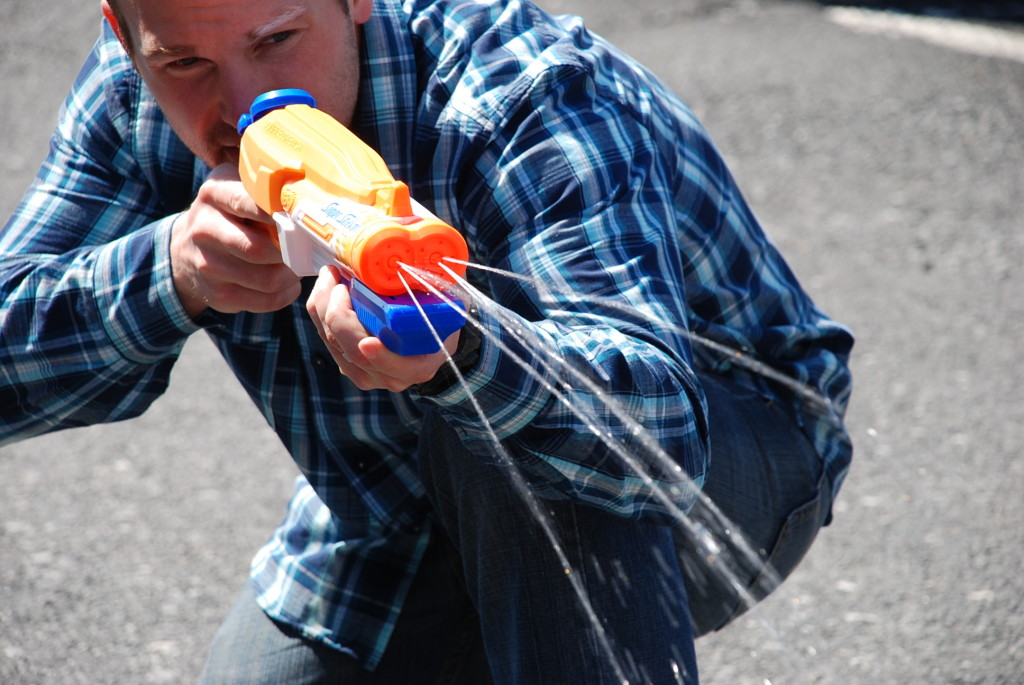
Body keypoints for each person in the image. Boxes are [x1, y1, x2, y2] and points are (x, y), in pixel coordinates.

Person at [0, 0, 855, 682]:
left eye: (277, 40)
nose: (239, 105)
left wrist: (465, 350)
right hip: (392, 504)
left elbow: (658, 429)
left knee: (508, 429)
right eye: (186, 64)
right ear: (123, 34)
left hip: (737, 459)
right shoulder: (129, 92)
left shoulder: (518, 90)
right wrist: (169, 271)